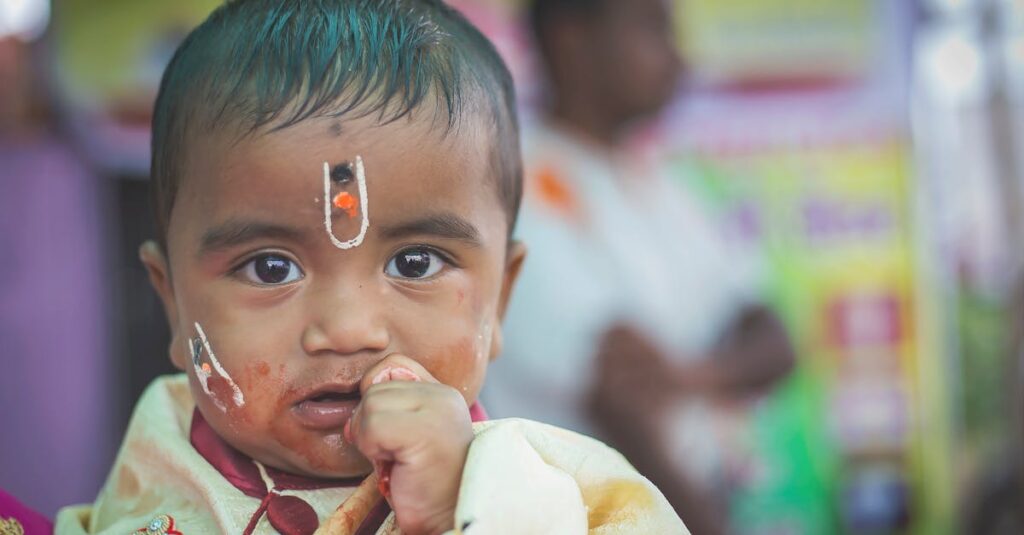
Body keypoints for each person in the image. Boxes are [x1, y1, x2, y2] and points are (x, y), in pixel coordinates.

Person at [53, 1, 687, 534]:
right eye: (271, 268)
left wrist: (453, 511)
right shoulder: (151, 460)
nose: (350, 328)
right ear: (172, 304)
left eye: (415, 262)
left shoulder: (571, 495)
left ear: (499, 302)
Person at [483, 0, 795, 532]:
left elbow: (775, 341)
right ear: (571, 42)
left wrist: (683, 375)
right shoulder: (517, 183)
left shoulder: (663, 184)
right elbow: (618, 396)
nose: (679, 58)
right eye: (652, 28)